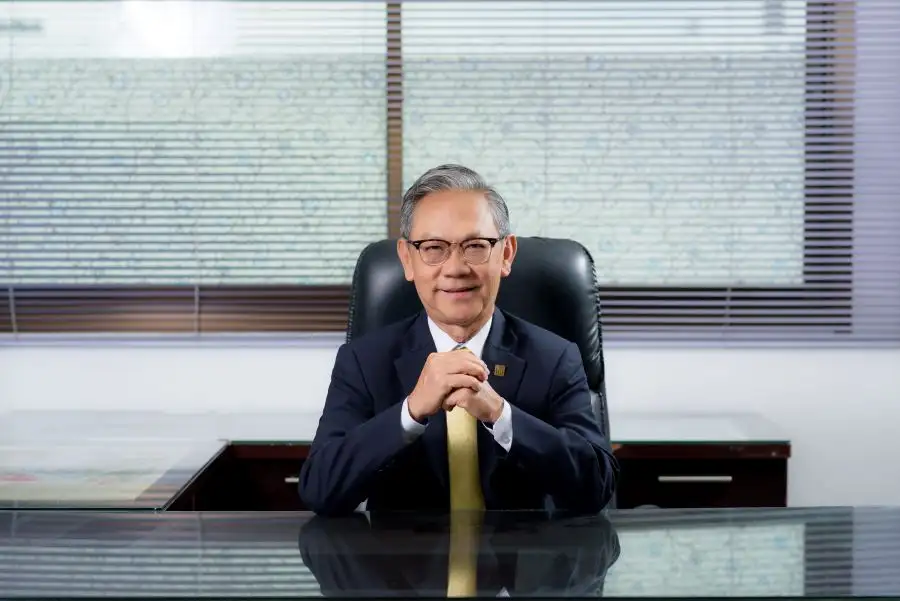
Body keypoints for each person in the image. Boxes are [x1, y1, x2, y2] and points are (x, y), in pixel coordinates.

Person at [298, 164, 618, 516]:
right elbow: (320, 489)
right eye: (434, 248)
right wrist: (410, 411)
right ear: (407, 260)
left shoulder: (554, 357)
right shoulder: (363, 361)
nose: (455, 268)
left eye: (475, 246)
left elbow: (596, 487)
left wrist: (501, 415)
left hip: (521, 548)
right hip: (400, 551)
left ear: (506, 255)